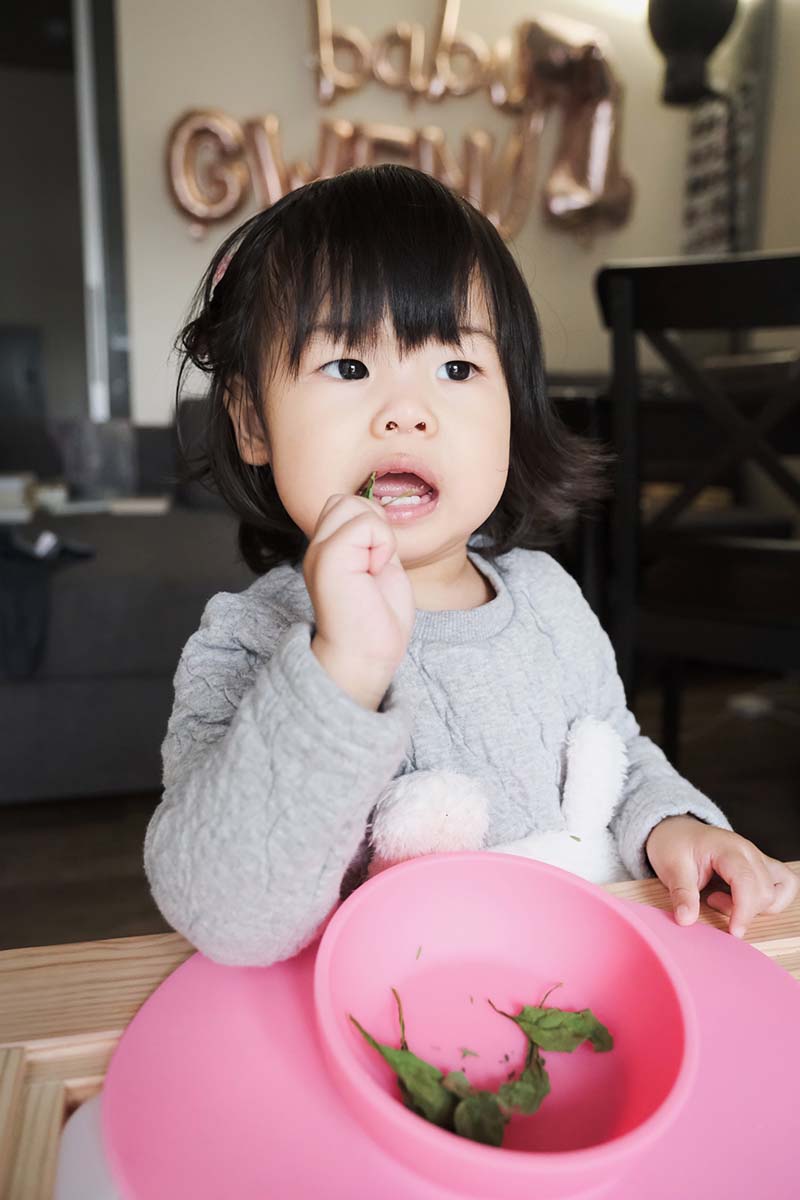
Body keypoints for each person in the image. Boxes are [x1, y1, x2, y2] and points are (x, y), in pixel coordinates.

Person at [145, 164, 797, 966]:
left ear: (513, 411)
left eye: (457, 368)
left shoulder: (548, 599)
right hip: (382, 1028)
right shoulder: (246, 642)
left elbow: (620, 758)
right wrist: (341, 670)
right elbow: (227, 916)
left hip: (577, 991)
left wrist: (676, 825)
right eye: (349, 367)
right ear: (252, 422)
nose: (407, 413)